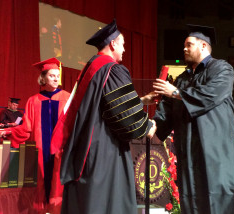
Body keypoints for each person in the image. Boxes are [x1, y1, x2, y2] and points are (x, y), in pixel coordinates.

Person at [50, 19, 156, 214]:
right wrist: (147, 126)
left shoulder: (90, 67)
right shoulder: (113, 69)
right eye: (123, 45)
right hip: (104, 150)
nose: (124, 50)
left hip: (86, 148)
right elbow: (122, 114)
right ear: (113, 43)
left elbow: (106, 104)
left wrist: (140, 101)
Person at [151, 25, 234, 213]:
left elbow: (209, 95)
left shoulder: (222, 69)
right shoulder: (183, 79)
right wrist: (152, 125)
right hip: (189, 153)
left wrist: (175, 92)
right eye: (184, 45)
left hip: (215, 152)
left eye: (189, 45)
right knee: (191, 199)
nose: (184, 48)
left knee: (218, 196)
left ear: (203, 46)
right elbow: (168, 111)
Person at [7, 58, 70, 213]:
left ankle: (59, 209)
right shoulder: (33, 101)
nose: (56, 78)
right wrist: (7, 132)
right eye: (51, 75)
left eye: (57, 75)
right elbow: (26, 128)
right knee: (43, 180)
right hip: (42, 151)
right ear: (43, 78)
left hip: (61, 149)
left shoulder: (67, 98)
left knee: (59, 180)